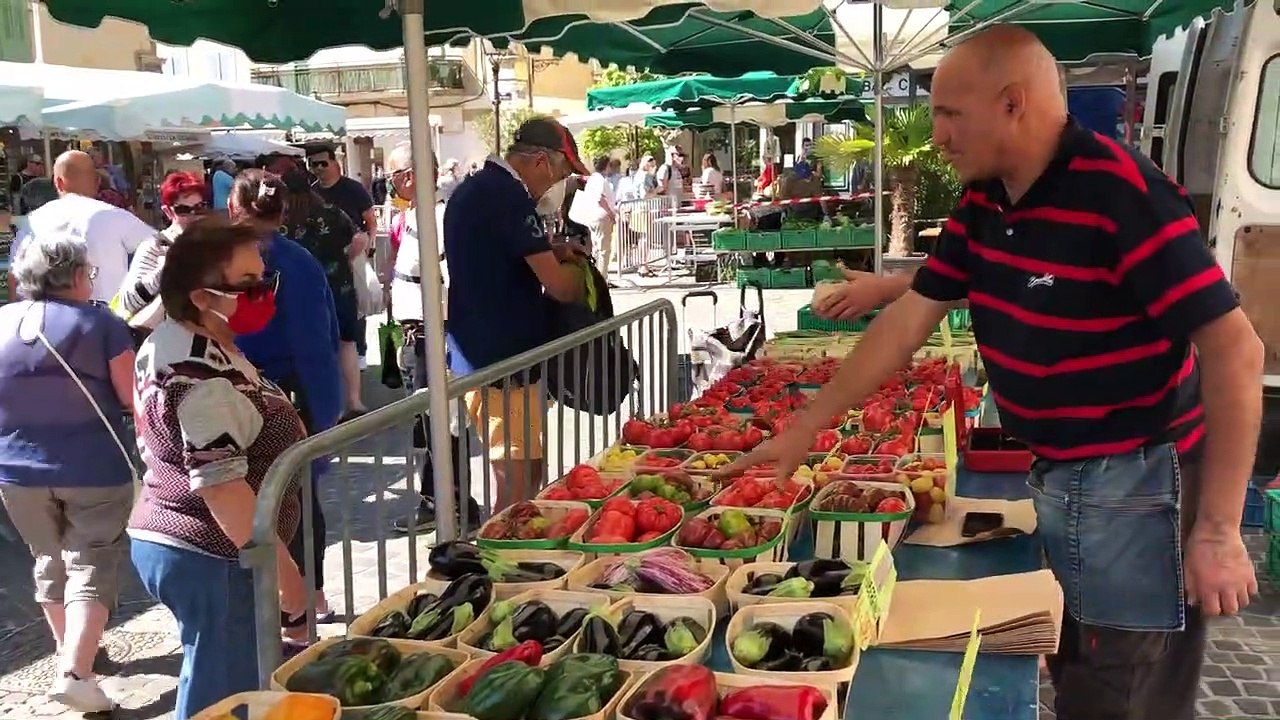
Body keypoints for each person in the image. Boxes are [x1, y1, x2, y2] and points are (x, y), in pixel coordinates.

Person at [722, 25, 1263, 720]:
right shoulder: (985, 203)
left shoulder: (1121, 190)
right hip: (1065, 473)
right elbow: (904, 324)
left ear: (1013, 104)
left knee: (1120, 692)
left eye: (951, 114)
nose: (938, 133)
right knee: (1085, 668)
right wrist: (803, 433)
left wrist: (1217, 530)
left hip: (1139, 480)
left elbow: (1236, 351)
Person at [128, 216, 307, 720]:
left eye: (264, 279)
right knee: (219, 697)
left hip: (197, 545)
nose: (264, 292)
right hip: (211, 552)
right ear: (202, 295)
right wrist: (284, 574)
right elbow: (222, 488)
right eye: (248, 285)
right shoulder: (199, 376)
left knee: (227, 680)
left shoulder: (186, 339)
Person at [0, 233, 135, 713]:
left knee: (48, 560)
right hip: (93, 465)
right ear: (76, 275)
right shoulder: (101, 324)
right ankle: (76, 671)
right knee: (91, 563)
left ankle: (71, 654)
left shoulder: (1, 322)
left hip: (15, 469)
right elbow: (129, 397)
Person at [444, 117, 589, 510]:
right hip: (499, 362)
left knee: (529, 469)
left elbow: (501, 257)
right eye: (562, 171)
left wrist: (554, 253)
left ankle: (512, 550)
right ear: (541, 161)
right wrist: (588, 282)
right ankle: (501, 560)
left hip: (493, 354)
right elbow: (558, 286)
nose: (559, 183)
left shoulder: (479, 189)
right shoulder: (507, 197)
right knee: (516, 478)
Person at [228, 170, 341, 637]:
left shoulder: (223, 262)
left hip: (247, 396)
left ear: (234, 207)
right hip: (297, 397)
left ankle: (288, 610)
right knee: (297, 500)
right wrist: (327, 406)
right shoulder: (301, 260)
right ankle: (305, 604)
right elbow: (326, 336)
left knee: (255, 503)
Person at [384, 144, 481, 534]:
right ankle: (435, 500)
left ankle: (457, 504)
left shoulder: (436, 219)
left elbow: (448, 280)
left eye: (391, 176)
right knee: (428, 424)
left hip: (432, 337)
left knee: (444, 422)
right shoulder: (417, 215)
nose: (388, 184)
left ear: (408, 176)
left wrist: (444, 339)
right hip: (417, 335)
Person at [278, 168, 367, 419]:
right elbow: (359, 238)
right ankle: (354, 400)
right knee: (347, 343)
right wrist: (346, 258)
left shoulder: (284, 220)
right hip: (340, 286)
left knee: (318, 349)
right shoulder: (329, 212)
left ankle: (327, 407)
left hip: (303, 293)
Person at [14, 151, 155, 305]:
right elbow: (162, 248)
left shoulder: (33, 220)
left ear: (58, 182)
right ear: (97, 182)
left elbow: (14, 274)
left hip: (45, 316)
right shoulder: (113, 216)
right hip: (108, 315)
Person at [112, 171, 208, 337]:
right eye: (184, 210)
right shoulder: (155, 246)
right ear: (168, 212)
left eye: (199, 207)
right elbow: (127, 302)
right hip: (165, 340)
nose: (194, 215)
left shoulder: (213, 243)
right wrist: (164, 270)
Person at [307, 145, 375, 362]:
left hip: (353, 254)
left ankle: (360, 350)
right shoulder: (311, 193)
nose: (318, 168)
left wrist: (366, 245)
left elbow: (371, 221)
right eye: (313, 164)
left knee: (356, 303)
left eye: (322, 163)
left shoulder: (353, 189)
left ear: (334, 162)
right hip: (323, 259)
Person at [572, 155, 617, 275]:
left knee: (597, 248)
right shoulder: (599, 180)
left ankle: (598, 275)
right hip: (601, 217)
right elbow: (600, 199)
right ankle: (602, 277)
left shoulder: (593, 179)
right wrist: (611, 214)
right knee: (603, 250)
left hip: (593, 216)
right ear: (606, 166)